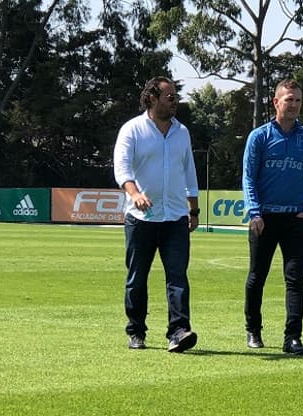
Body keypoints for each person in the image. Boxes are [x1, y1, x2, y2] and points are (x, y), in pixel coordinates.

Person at [113, 76, 200, 353]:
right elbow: (122, 168)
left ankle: (178, 331)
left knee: (178, 277)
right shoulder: (132, 130)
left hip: (175, 217)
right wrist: (134, 193)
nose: (175, 101)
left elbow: (189, 172)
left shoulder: (182, 132)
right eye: (169, 96)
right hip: (141, 220)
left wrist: (194, 208)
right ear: (152, 98)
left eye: (175, 96)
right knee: (137, 278)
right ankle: (136, 331)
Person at [242, 79, 303, 355]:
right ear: (276, 102)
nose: (294, 105)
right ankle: (253, 330)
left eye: (298, 100)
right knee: (257, 276)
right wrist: (254, 212)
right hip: (263, 218)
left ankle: (293, 338)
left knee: (295, 279)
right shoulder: (259, 137)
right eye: (289, 99)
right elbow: (249, 177)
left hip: (295, 221)